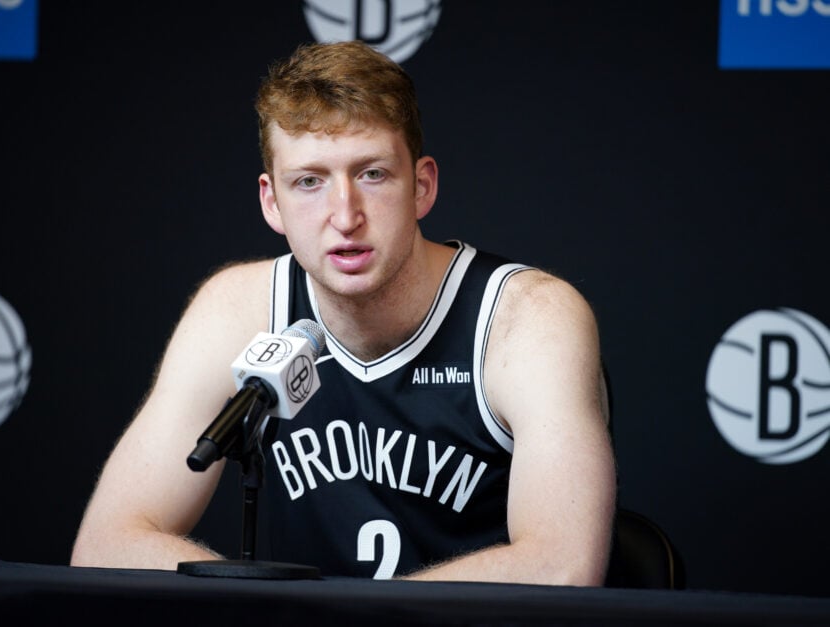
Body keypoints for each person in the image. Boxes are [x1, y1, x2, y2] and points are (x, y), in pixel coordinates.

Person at [70, 40, 617, 585]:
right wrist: (265, 610)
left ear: (422, 186)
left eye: (372, 174)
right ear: (271, 202)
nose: (344, 215)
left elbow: (563, 565)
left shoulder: (527, 318)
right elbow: (107, 541)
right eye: (309, 182)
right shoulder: (240, 309)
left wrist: (335, 621)